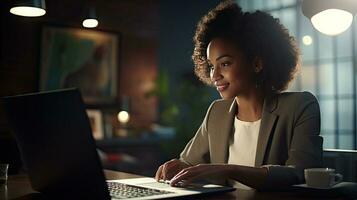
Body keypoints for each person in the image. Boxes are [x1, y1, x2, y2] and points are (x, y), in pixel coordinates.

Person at [155, 0, 323, 190]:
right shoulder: (217, 111)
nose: (214, 75)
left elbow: (301, 173)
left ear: (257, 63)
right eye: (211, 66)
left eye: (225, 63)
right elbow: (189, 163)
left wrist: (228, 170)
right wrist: (178, 167)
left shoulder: (300, 106)